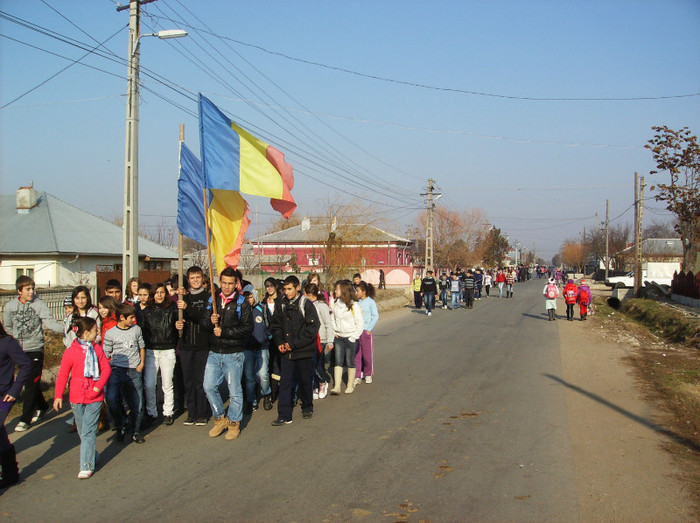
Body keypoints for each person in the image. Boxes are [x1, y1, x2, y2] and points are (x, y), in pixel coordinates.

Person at [3, 275, 63, 432]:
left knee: (30, 383)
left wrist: (65, 329)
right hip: (18, 350)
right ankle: (42, 406)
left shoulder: (39, 304)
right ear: (19, 291)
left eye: (32, 289)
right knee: (29, 380)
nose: (31, 292)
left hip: (35, 348)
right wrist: (12, 344)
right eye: (27, 289)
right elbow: (8, 327)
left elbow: (49, 321)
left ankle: (25, 419)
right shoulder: (10, 306)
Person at [53, 317, 111, 479]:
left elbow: (106, 370)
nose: (97, 332)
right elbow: (63, 374)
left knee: (88, 431)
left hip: (94, 396)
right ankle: (92, 455)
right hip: (76, 397)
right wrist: (58, 396)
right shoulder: (71, 352)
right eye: (95, 330)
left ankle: (86, 465)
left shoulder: (97, 349)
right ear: (86, 333)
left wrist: (97, 387)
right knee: (82, 430)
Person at [203, 267, 252, 440]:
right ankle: (219, 418)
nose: (226, 286)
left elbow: (247, 329)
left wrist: (224, 332)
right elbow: (203, 323)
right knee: (208, 386)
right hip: (214, 351)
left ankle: (234, 423)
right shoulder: (213, 300)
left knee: (234, 391)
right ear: (220, 281)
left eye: (230, 283)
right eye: (224, 282)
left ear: (236, 284)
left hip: (234, 353)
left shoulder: (242, 303)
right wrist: (210, 321)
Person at [270, 276, 320, 425]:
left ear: (298, 288)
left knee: (305, 380)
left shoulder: (306, 304)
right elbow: (276, 326)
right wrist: (279, 342)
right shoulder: (281, 304)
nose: (287, 292)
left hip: (303, 350)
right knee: (285, 382)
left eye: (289, 289)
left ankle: (307, 406)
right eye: (285, 289)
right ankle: (284, 414)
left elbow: (312, 328)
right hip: (287, 352)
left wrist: (295, 344)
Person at [103, 302, 146, 443]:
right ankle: (121, 423)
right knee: (111, 398)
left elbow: (142, 347)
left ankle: (136, 431)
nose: (133, 320)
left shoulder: (136, 330)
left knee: (137, 405)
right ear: (121, 317)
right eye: (131, 318)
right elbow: (105, 353)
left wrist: (141, 364)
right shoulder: (110, 334)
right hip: (117, 370)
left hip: (134, 370)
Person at [175, 267, 212, 426]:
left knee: (200, 381)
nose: (195, 280)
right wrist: (177, 324)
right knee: (188, 381)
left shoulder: (209, 298)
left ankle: (202, 412)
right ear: (188, 280)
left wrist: (187, 308)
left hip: (202, 344)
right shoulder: (183, 297)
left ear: (202, 278)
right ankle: (191, 412)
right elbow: (175, 316)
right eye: (192, 278)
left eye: (198, 277)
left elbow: (205, 319)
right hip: (186, 345)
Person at [141, 283, 178, 426]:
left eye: (162, 292)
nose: (160, 295)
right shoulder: (146, 312)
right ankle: (151, 412)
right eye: (156, 292)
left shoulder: (172, 309)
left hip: (168, 350)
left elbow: (179, 322)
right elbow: (142, 332)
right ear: (152, 294)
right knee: (150, 384)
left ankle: (168, 412)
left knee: (167, 383)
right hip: (151, 351)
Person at [0, 320, 32, 489]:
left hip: (4, 397)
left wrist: (14, 390)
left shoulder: (7, 343)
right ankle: (11, 474)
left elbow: (26, 364)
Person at [330, 280, 364, 395]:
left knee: (350, 361)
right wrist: (334, 330)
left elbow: (360, 323)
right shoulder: (335, 304)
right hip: (339, 337)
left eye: (338, 289)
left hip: (350, 337)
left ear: (344, 291)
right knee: (338, 361)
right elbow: (333, 318)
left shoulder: (354, 305)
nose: (335, 291)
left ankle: (350, 385)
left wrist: (353, 337)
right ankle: (337, 386)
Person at [242, 291, 272, 413]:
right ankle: (251, 401)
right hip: (247, 348)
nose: (248, 300)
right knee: (249, 377)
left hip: (262, 347)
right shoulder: (242, 310)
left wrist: (267, 337)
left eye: (250, 297)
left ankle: (266, 395)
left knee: (263, 374)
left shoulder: (262, 309)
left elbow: (271, 325)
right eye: (245, 297)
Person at [304, 283, 333, 400]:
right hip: (309, 339)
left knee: (317, 365)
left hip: (321, 339)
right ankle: (316, 385)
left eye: (305, 293)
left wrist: (330, 341)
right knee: (312, 365)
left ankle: (322, 382)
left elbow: (328, 324)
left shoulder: (322, 306)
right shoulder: (306, 305)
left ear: (310, 294)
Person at [263, 277, 283, 404]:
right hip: (267, 338)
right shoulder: (263, 303)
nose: (269, 288)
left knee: (279, 365)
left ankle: (276, 393)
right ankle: (271, 393)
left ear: (276, 286)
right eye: (267, 286)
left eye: (271, 285)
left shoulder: (281, 301)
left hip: (279, 337)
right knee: (269, 365)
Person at [355, 281, 378, 385]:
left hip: (366, 332)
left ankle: (368, 374)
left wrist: (369, 329)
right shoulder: (356, 302)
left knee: (367, 355)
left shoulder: (371, 302)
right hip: (357, 331)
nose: (356, 292)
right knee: (357, 354)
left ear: (363, 292)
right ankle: (357, 374)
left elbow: (376, 316)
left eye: (358, 291)